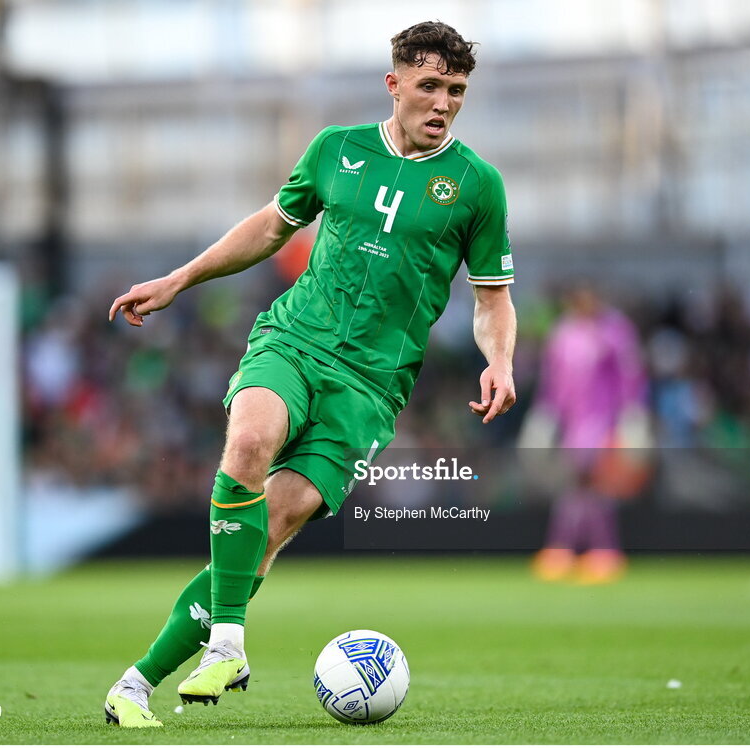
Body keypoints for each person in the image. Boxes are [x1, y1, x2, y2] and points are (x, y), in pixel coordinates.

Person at [102, 21, 516, 728]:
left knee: (269, 527)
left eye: (455, 90)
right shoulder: (336, 150)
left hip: (371, 386)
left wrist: (500, 359)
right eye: (428, 86)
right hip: (295, 339)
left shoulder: (476, 186)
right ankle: (228, 644)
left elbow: (491, 299)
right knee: (250, 442)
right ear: (394, 86)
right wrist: (181, 278)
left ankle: (135, 686)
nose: (443, 102)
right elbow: (270, 227)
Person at [529, 284, 647, 584]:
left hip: (603, 420)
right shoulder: (563, 334)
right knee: (579, 487)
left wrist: (632, 414)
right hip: (571, 422)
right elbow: (553, 381)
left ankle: (592, 549)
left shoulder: (614, 332)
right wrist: (546, 415)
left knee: (593, 485)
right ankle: (576, 549)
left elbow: (629, 376)